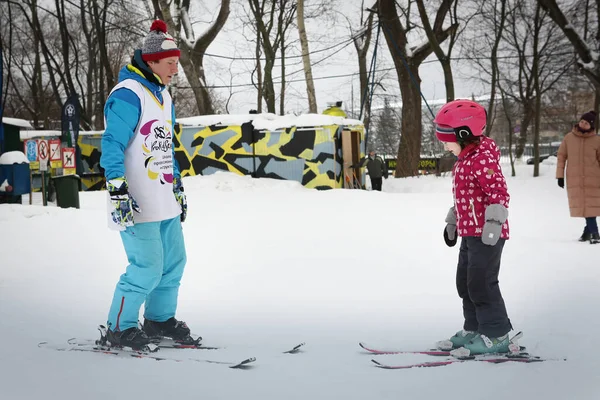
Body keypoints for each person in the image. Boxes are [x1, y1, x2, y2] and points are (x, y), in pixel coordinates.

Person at [100, 19, 193, 350]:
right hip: (136, 199)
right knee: (147, 267)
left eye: (176, 64)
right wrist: (117, 187)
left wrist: (178, 185)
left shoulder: (164, 96)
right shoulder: (128, 94)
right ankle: (118, 327)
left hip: (163, 196)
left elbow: (165, 146)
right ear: (151, 61)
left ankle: (158, 319)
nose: (174, 71)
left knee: (172, 263)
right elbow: (111, 144)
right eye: (170, 64)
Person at [434, 99, 513, 356]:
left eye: (447, 139)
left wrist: (494, 223)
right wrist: (453, 220)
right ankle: (475, 328)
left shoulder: (482, 159)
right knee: (465, 282)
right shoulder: (465, 160)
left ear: (464, 135)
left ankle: (497, 334)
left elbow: (498, 192)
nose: (444, 145)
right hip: (470, 232)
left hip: (487, 235)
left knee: (482, 282)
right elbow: (465, 197)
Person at [556, 110, 600, 244]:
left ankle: (594, 233)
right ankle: (589, 233)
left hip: (593, 178)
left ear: (591, 125)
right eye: (582, 121)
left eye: (586, 123)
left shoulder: (597, 140)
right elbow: (561, 156)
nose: (583, 124)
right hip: (575, 178)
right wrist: (560, 176)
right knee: (585, 205)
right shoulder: (569, 138)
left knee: (589, 205)